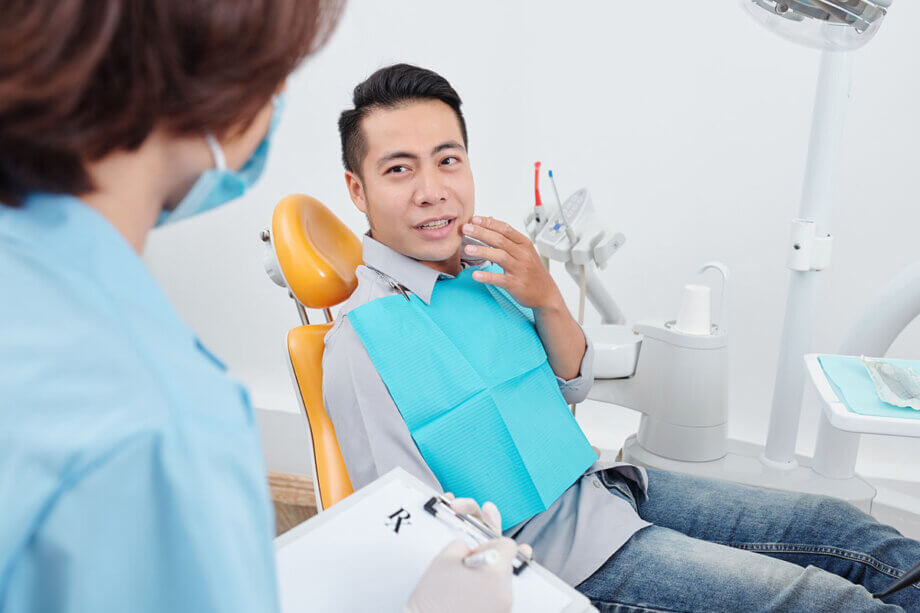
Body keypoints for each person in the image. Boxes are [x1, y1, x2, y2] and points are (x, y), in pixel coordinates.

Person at [322, 62, 920, 612]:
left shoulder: (485, 269)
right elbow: (406, 529)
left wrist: (546, 296)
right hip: (559, 561)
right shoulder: (361, 342)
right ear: (358, 190)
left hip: (607, 489)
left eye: (447, 160)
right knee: (822, 601)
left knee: (850, 534)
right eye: (399, 169)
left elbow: (568, 389)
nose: (432, 189)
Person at [0, 3, 520, 612]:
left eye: (448, 159)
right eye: (281, 74)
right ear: (223, 82)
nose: (432, 189)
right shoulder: (158, 417)